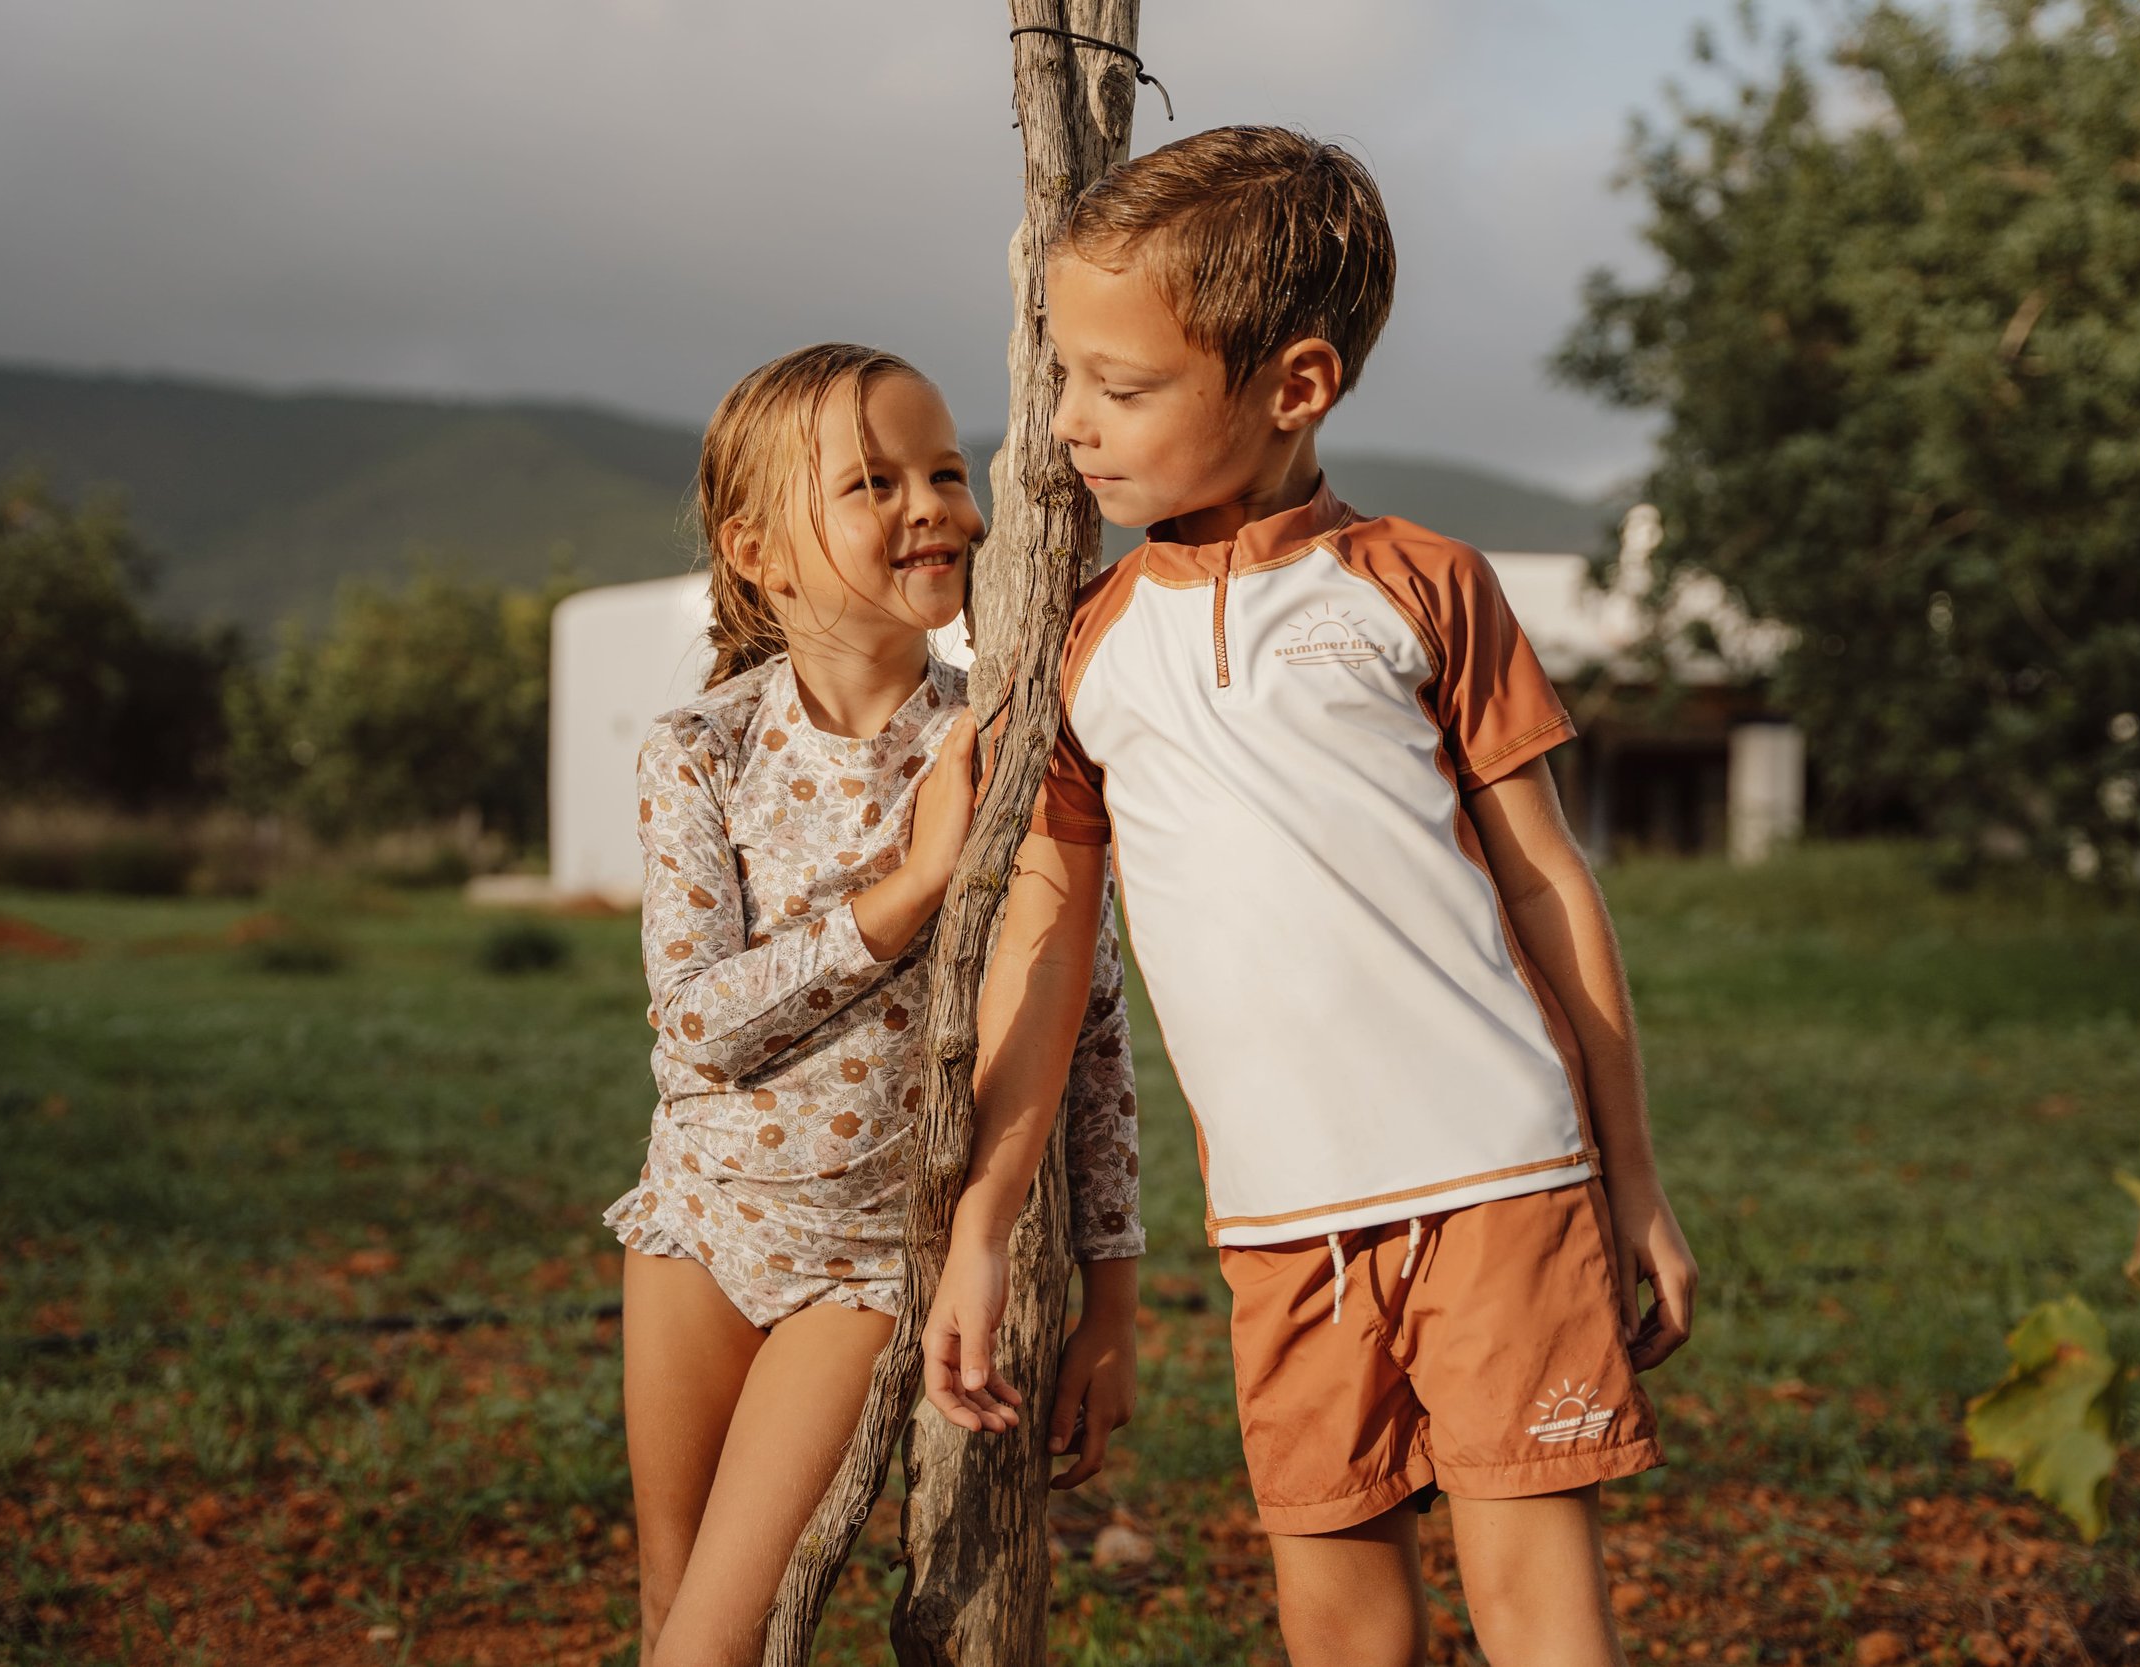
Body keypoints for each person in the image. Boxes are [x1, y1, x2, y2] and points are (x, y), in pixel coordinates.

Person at [921, 129, 1700, 1667]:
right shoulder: (1081, 649)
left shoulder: (1422, 586)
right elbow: (1046, 942)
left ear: (1296, 386)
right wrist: (983, 1226)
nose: (1070, 426)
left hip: (1504, 1183)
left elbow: (1550, 886)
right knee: (1341, 1625)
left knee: (1548, 1618)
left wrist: (1633, 1175)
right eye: (1063, 376)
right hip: (1281, 1226)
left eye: (1122, 388)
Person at [605, 342, 1142, 1666]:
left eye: (947, 472)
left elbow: (1092, 1030)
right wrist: (907, 891)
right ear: (760, 550)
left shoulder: (1009, 745)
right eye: (873, 481)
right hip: (693, 1227)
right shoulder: (700, 752)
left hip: (862, 1264)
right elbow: (698, 1024)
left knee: (718, 1639)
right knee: (669, 1610)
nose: (935, 505)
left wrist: (1113, 1300)